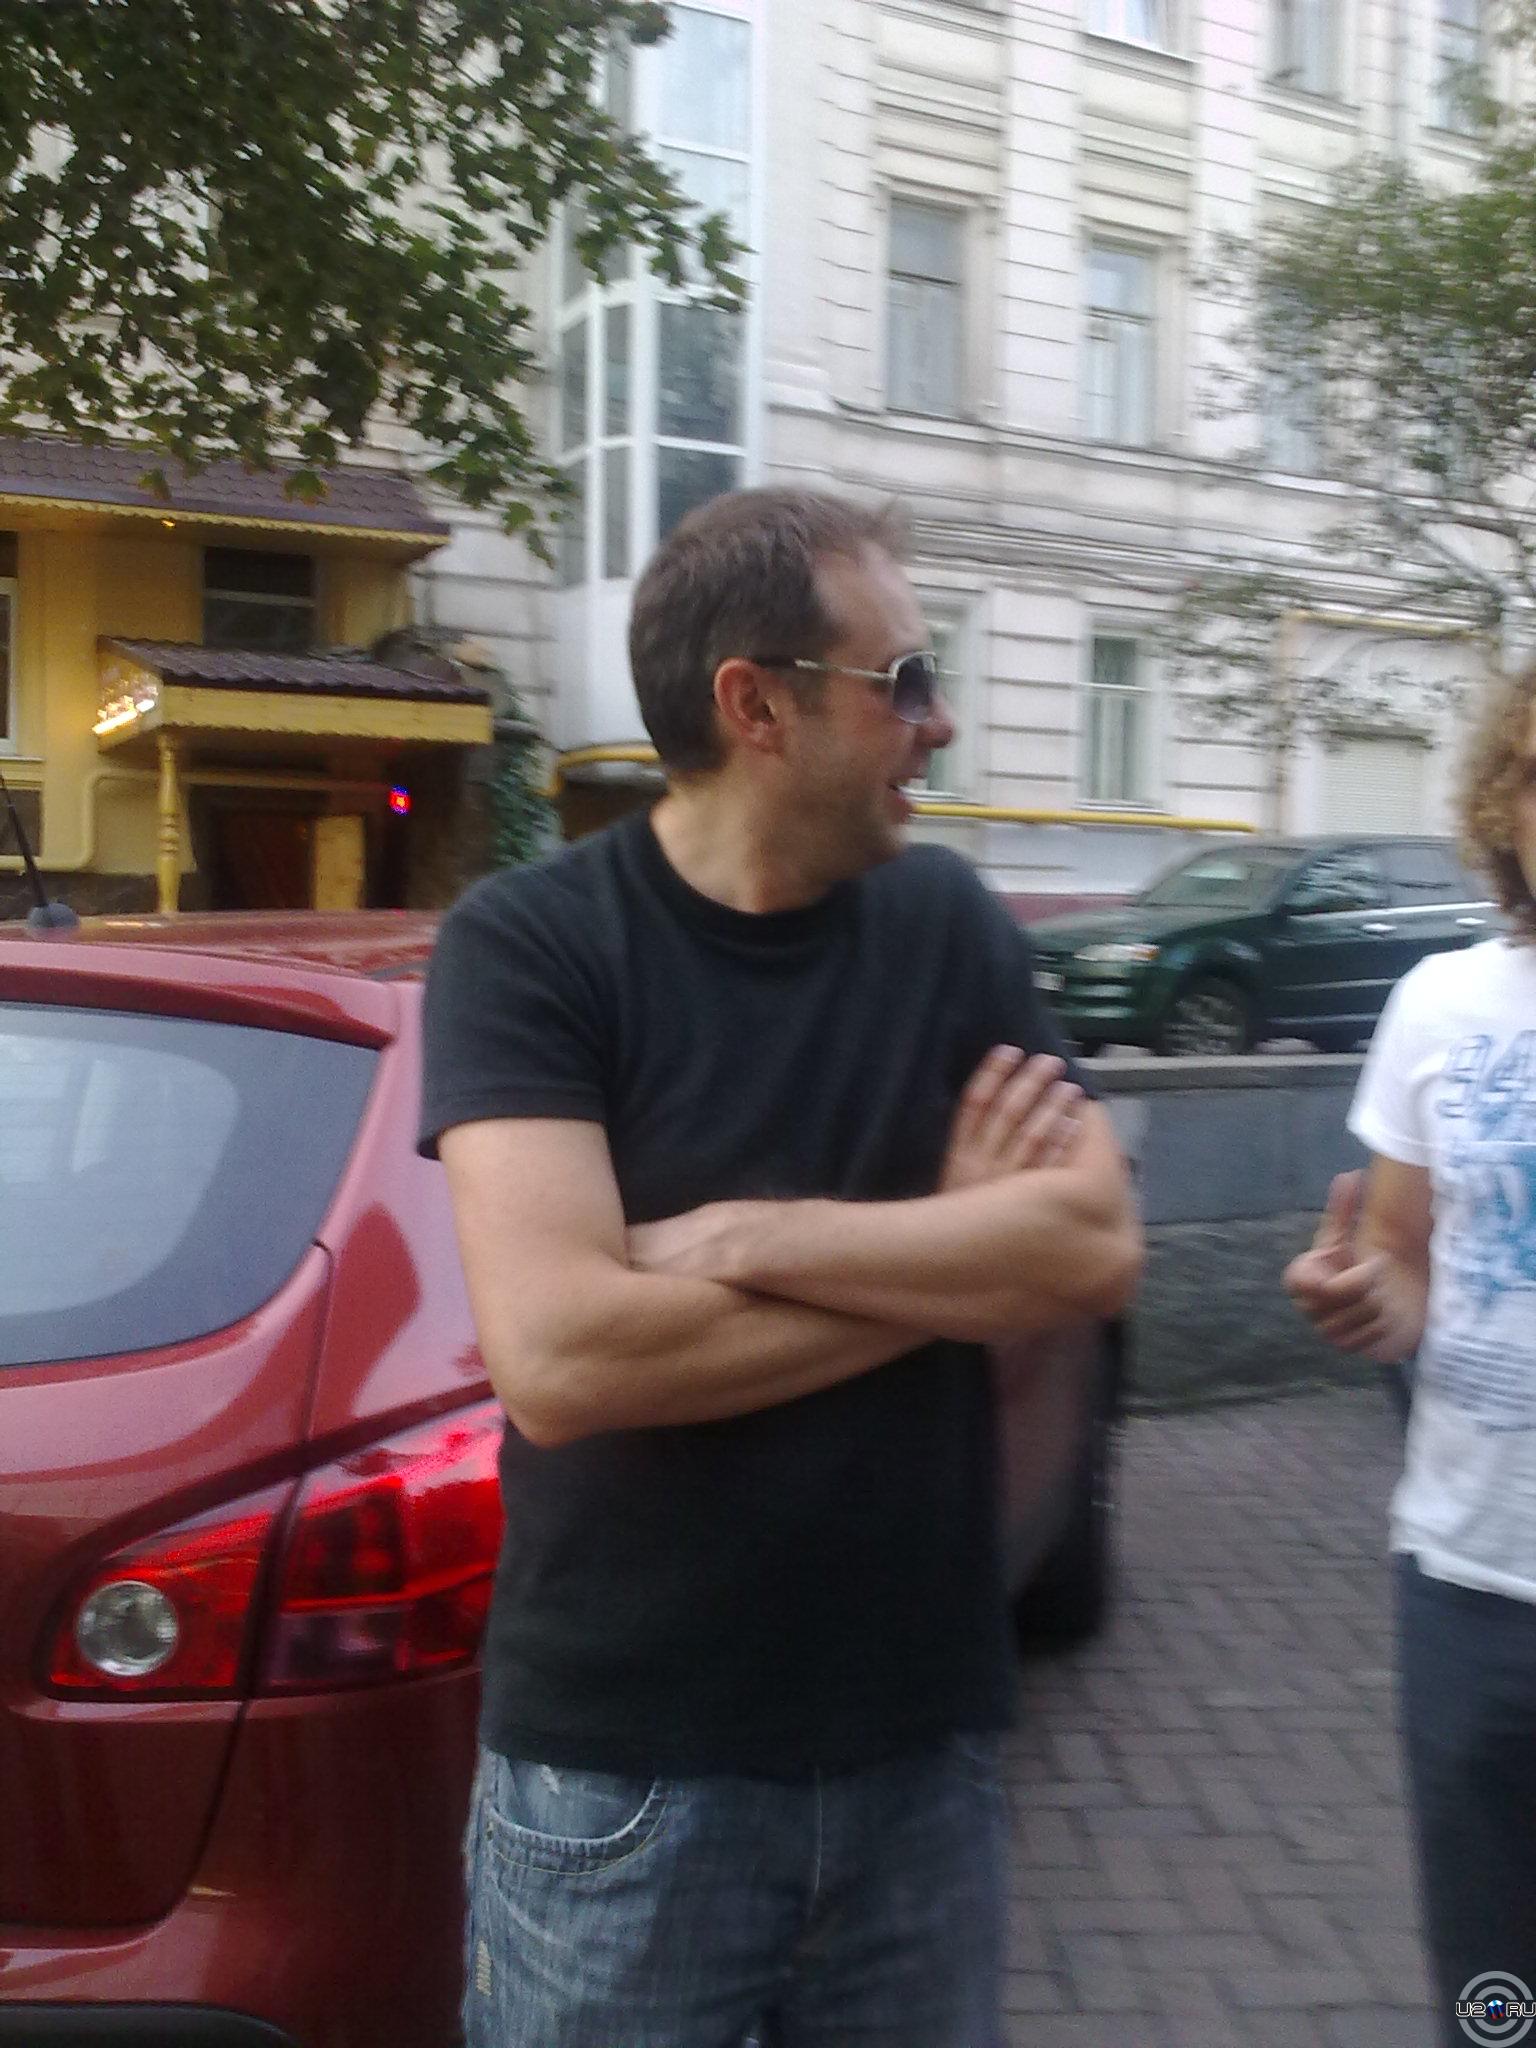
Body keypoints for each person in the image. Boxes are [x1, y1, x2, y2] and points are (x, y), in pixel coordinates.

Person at [419, 487, 1142, 2048]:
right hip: (626, 1779)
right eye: (906, 681)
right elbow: (566, 1361)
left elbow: (1092, 1247)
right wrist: (954, 1257)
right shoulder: (530, 946)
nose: (940, 724)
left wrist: (760, 1240)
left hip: (921, 1756)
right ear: (756, 705)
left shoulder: (946, 922)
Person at [1285, 660, 1536, 2043]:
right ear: (1505, 805)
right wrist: (1366, 1299)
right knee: (1496, 1989)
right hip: (1473, 1585)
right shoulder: (1441, 1006)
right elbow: (1404, 1267)